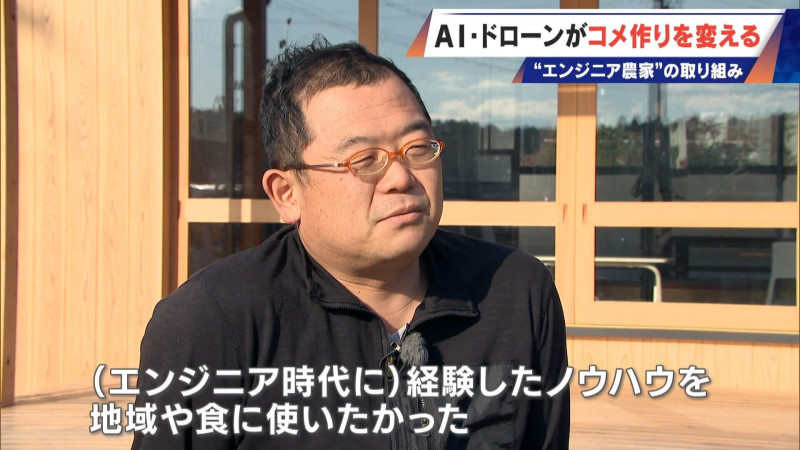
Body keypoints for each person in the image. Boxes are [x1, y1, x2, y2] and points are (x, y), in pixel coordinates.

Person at [133, 38, 569, 449]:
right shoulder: (213, 320)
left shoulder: (517, 293)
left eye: (418, 148)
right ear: (287, 194)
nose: (401, 178)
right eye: (364, 160)